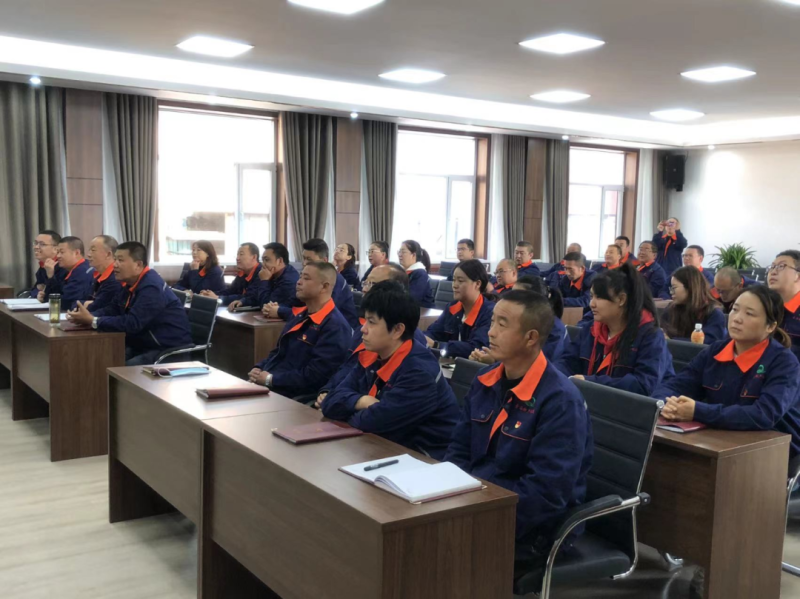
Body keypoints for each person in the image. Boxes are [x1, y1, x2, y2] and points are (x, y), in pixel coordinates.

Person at [445, 290, 593, 567]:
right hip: (478, 502)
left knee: (435, 550)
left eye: (502, 324)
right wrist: (449, 496)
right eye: (492, 321)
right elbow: (459, 448)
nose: (491, 332)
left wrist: (476, 516)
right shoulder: (484, 379)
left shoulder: (560, 400)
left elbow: (545, 494)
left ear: (531, 338)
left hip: (531, 528)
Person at [656, 286, 800, 458]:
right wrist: (666, 405)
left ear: (770, 326)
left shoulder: (784, 362)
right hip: (720, 440)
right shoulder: (715, 351)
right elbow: (674, 385)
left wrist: (697, 411)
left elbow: (763, 415)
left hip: (774, 451)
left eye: (749, 314)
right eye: (735, 309)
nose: (737, 318)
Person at [320, 284, 460, 459]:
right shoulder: (373, 355)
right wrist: (362, 401)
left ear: (397, 330)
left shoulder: (419, 373)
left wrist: (349, 407)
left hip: (423, 459)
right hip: (382, 447)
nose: (363, 328)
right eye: (365, 320)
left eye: (371, 322)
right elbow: (330, 402)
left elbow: (371, 424)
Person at [67, 242, 193, 366]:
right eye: (115, 259)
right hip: (142, 343)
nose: (115, 264)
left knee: (117, 368)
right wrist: (88, 316)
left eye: (120, 260)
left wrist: (94, 320)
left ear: (138, 265)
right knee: (101, 359)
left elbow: (132, 323)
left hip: (166, 349)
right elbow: (114, 308)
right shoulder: (131, 283)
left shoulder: (152, 287)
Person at [557, 264, 674, 395]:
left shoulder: (650, 336)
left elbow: (643, 384)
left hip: (629, 406)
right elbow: (567, 362)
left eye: (599, 297)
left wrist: (591, 382)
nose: (592, 304)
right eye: (591, 296)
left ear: (621, 299)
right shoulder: (590, 330)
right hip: (592, 400)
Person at [317, 266, 428, 402]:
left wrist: (348, 401)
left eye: (373, 284)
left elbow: (382, 408)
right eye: (365, 282)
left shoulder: (409, 343)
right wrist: (328, 391)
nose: (364, 289)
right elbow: (346, 370)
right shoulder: (364, 330)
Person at [248, 262, 352, 398]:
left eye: (306, 278)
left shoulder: (335, 326)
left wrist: (271, 379)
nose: (299, 282)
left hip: (293, 395)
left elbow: (316, 376)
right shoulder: (301, 315)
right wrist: (259, 367)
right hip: (273, 384)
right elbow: (279, 352)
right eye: (300, 276)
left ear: (324, 286)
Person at [263, 239, 359, 329]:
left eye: (309, 259)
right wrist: (274, 307)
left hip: (342, 332)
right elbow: (293, 303)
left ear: (324, 261)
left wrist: (280, 311)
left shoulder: (333, 280)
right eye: (304, 258)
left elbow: (319, 314)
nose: (304, 263)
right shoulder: (309, 279)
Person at [472, 275, 566, 363]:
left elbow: (540, 363)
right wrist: (481, 354)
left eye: (517, 296)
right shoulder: (511, 319)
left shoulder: (555, 329)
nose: (511, 299)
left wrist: (496, 360)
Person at [425, 259, 495, 359]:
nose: (454, 285)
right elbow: (434, 332)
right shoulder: (452, 307)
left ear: (477, 284)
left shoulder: (489, 312)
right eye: (454, 280)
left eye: (460, 281)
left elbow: (477, 347)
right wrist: (424, 338)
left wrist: (438, 345)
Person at [662, 266, 726, 344]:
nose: (671, 292)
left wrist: (672, 341)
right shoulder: (670, 309)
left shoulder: (713, 314)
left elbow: (708, 343)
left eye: (674, 288)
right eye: (671, 288)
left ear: (690, 287)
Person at [229, 242, 299, 312]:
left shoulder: (289, 280)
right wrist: (243, 301)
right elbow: (255, 295)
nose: (263, 264)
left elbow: (266, 306)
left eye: (267, 260)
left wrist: (264, 281)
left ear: (280, 261)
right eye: (263, 260)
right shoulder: (272, 273)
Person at [200, 242, 261, 307]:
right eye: (237, 255)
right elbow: (231, 291)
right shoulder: (243, 272)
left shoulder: (261, 273)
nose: (237, 258)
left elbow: (249, 297)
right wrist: (209, 294)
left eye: (241, 254)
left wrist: (218, 298)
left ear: (254, 257)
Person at [41, 236, 94, 310]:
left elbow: (65, 302)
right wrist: (50, 276)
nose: (58, 256)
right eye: (58, 252)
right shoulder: (66, 270)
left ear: (76, 253)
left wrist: (46, 297)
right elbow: (53, 296)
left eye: (62, 252)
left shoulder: (82, 272)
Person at [767, 250, 800, 362]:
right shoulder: (764, 306)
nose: (773, 272)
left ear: (798, 275)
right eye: (772, 267)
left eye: (781, 266)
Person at [86, 235, 122, 314]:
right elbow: (85, 300)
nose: (88, 254)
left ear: (108, 254)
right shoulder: (97, 275)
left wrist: (85, 305)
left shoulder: (115, 278)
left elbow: (96, 307)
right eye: (89, 250)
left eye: (93, 250)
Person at [397, 239, 435, 308]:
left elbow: (413, 298)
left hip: (422, 310)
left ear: (413, 255)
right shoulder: (401, 272)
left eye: (403, 252)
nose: (400, 255)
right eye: (399, 251)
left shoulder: (420, 273)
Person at [30, 230, 62, 298]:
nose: (36, 247)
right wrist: (38, 294)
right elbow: (35, 289)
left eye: (42, 244)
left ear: (56, 249)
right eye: (35, 243)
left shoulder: (62, 266)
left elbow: (58, 294)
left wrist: (50, 277)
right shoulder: (43, 265)